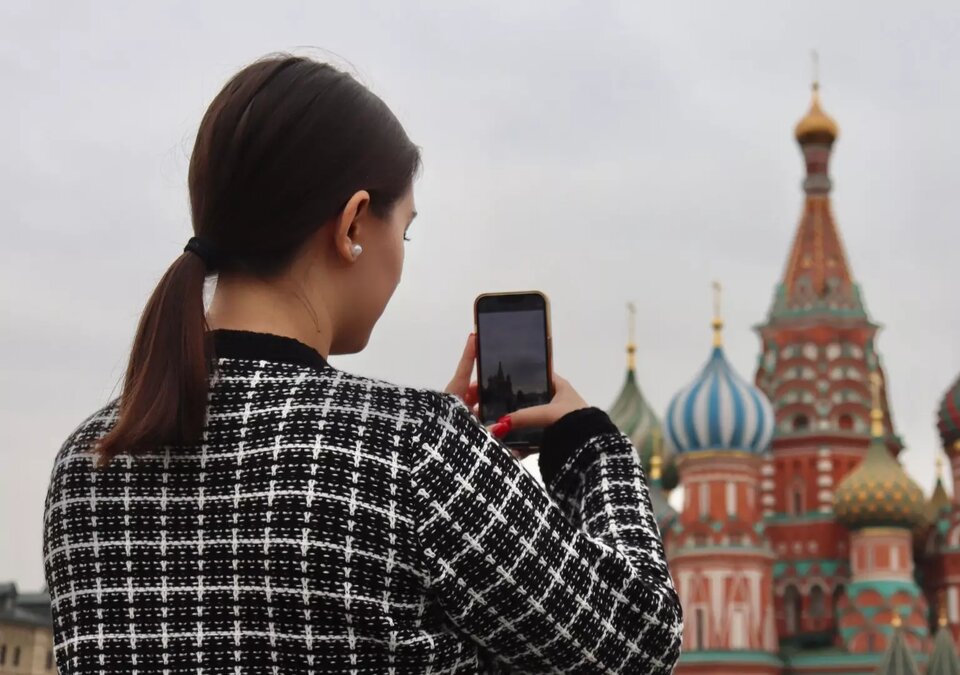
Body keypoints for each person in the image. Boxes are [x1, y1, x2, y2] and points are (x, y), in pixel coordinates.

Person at [41, 54, 682, 674]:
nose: (401, 255)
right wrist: (589, 444)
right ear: (352, 225)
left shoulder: (82, 464)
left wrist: (445, 459)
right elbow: (642, 638)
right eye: (402, 231)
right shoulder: (414, 447)